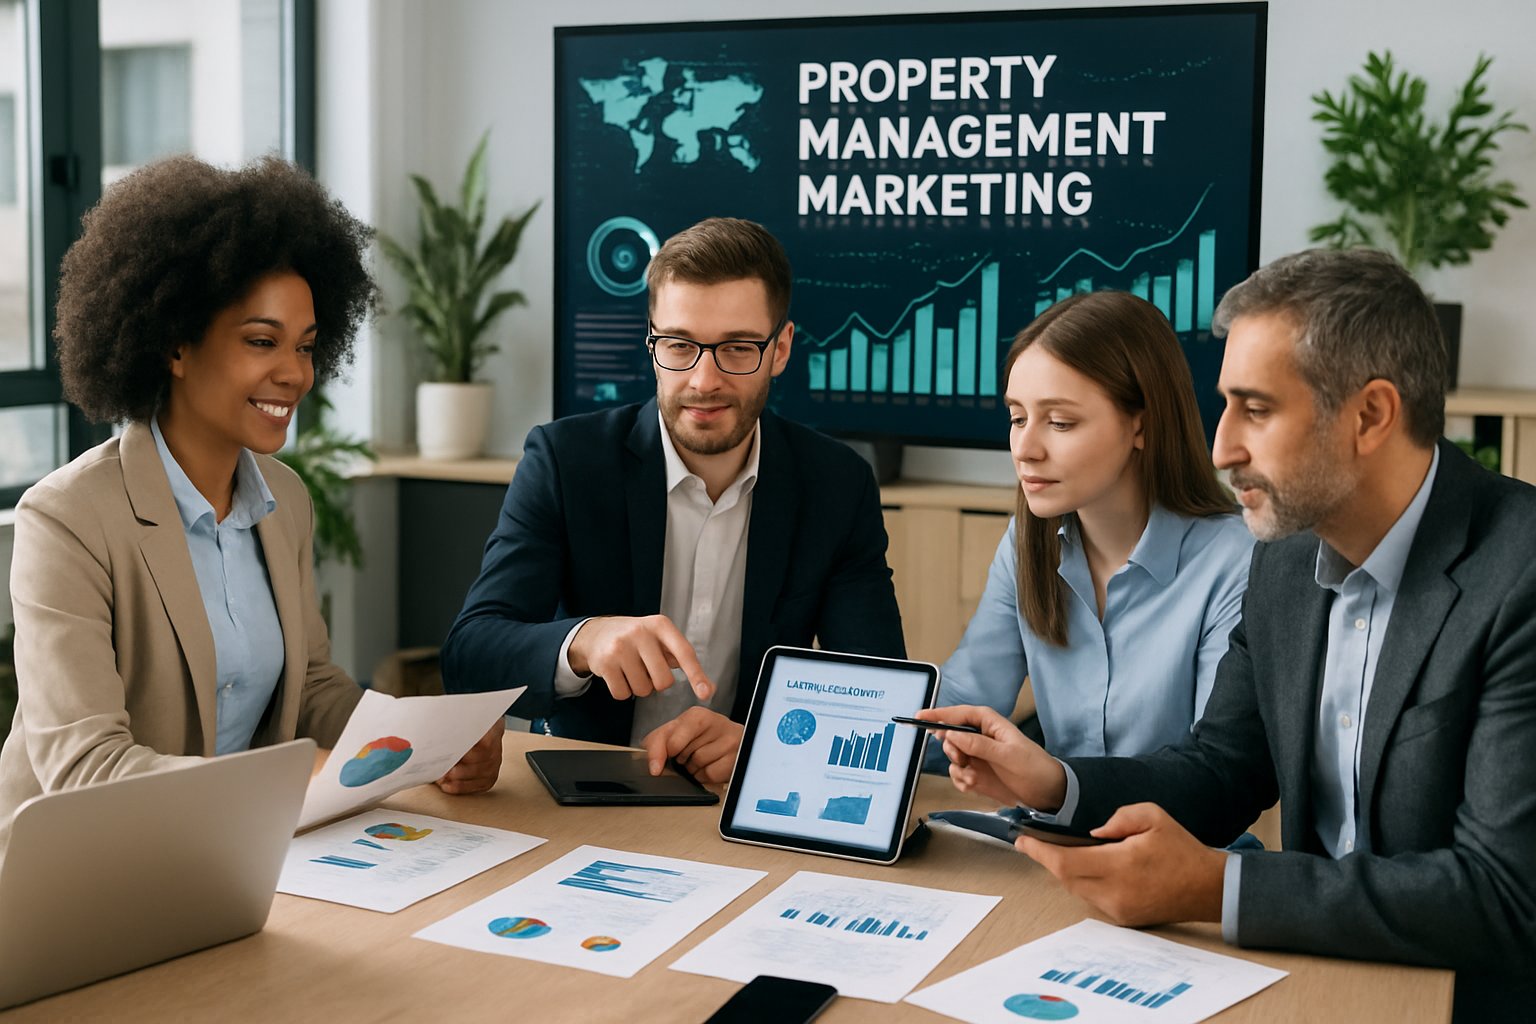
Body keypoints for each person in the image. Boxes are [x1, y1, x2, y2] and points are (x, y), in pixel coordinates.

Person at [922, 248, 1536, 1021]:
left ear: (1371, 416)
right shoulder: (1285, 564)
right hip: (1320, 970)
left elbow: (1506, 895)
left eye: (1258, 408)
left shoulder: (1520, 574)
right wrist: (1056, 785)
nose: (1220, 448)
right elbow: (1221, 772)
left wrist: (1219, 886)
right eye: (1225, 406)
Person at [0, 156, 503, 858]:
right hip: (82, 880)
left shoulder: (284, 500)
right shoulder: (68, 520)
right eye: (261, 342)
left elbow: (312, 690)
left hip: (235, 864)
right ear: (175, 343)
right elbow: (86, 770)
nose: (295, 373)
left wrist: (424, 740)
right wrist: (289, 784)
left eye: (305, 345)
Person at [441, 217, 905, 780]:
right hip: (586, 788)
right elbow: (470, 656)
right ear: (653, 344)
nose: (704, 380)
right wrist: (583, 640)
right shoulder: (566, 461)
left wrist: (768, 741)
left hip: (742, 798)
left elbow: (878, 694)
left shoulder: (837, 482)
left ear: (781, 349)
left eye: (737, 349)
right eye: (680, 346)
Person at [932, 291, 1251, 764]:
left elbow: (1211, 772)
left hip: (1174, 836)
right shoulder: (1027, 543)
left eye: (1060, 423)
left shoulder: (1233, 560)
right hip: (1048, 827)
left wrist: (1057, 789)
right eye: (1018, 418)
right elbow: (964, 705)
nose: (1025, 449)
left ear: (1141, 425)